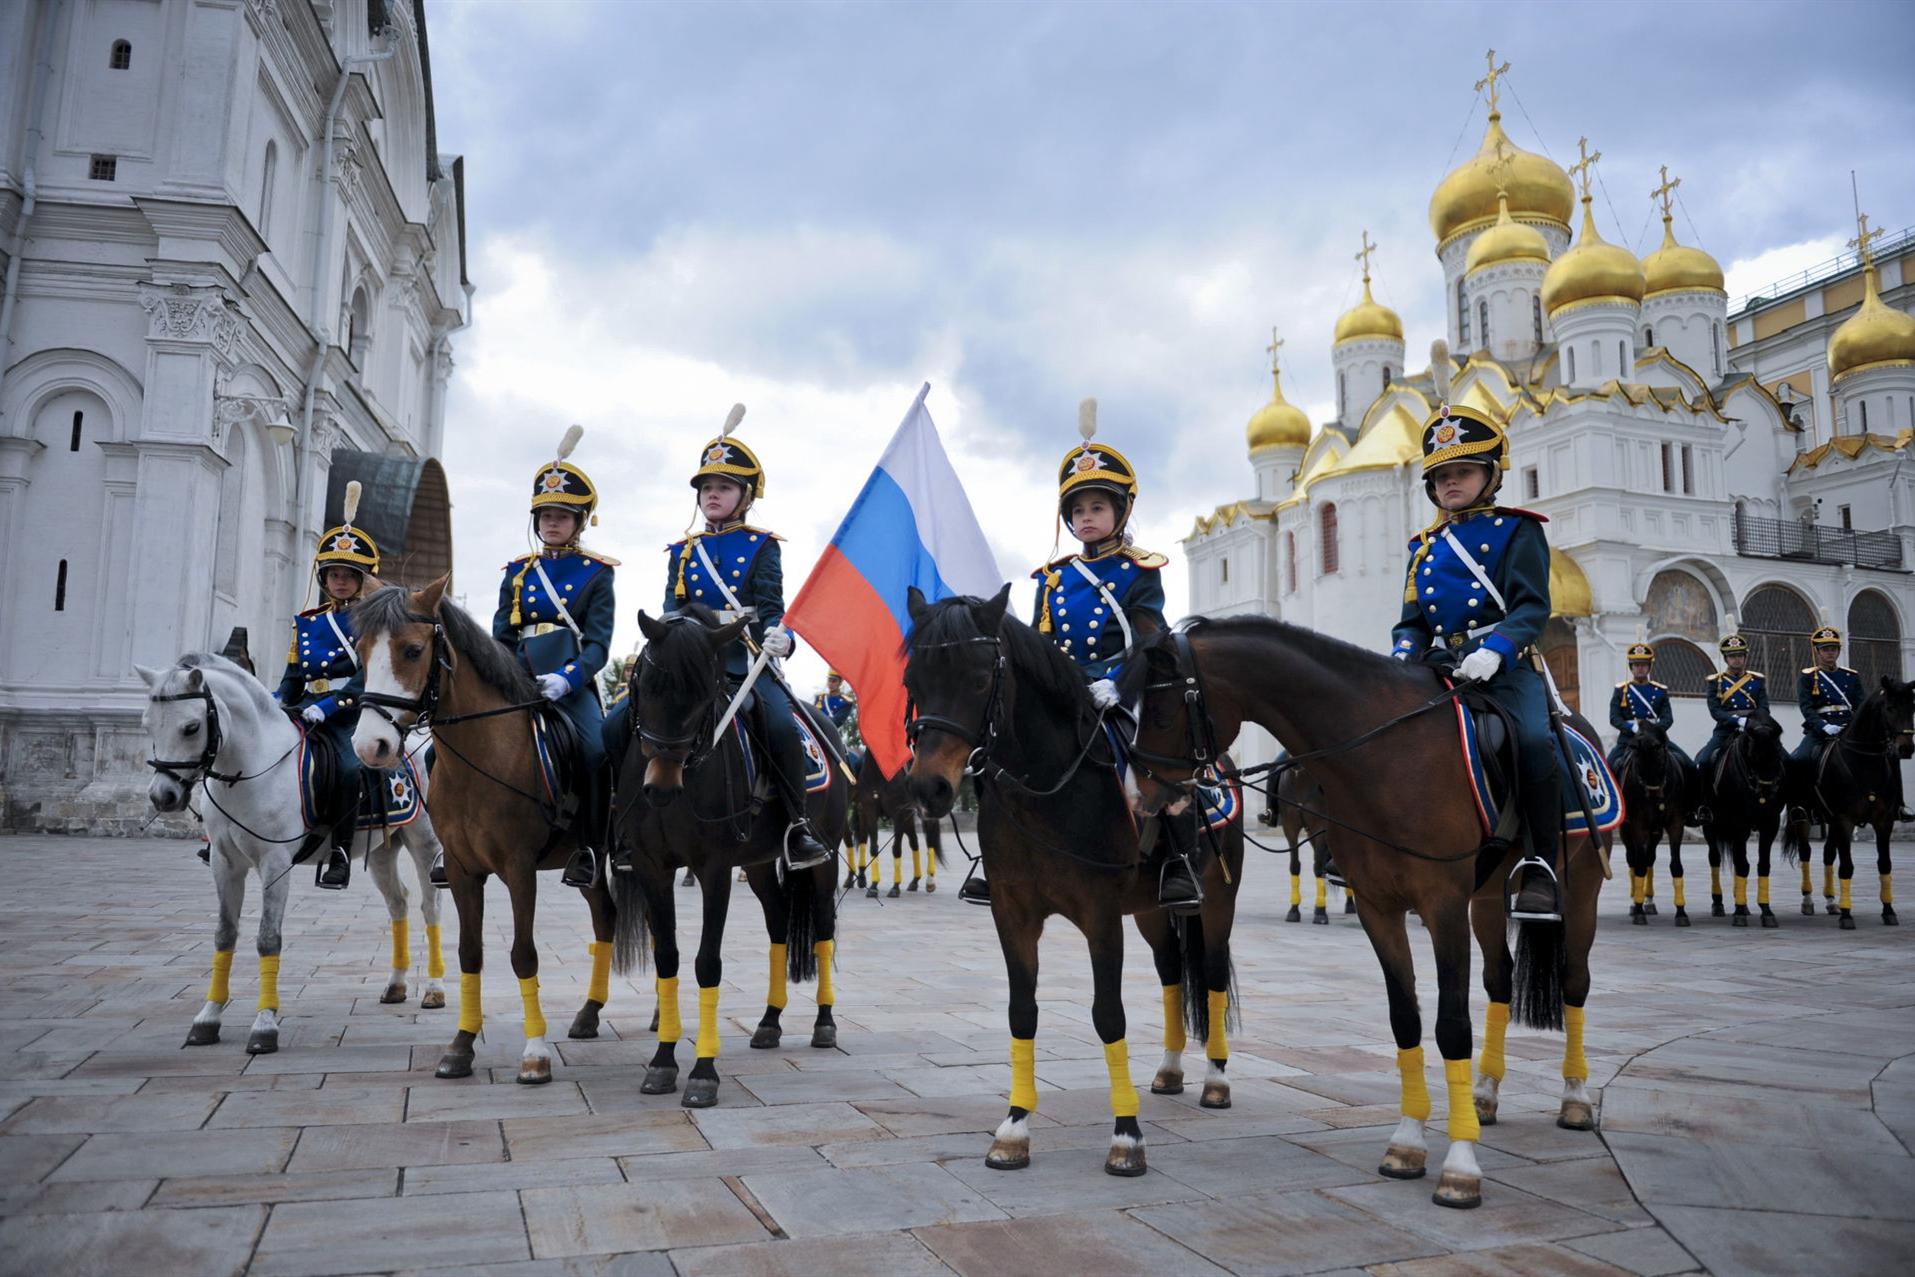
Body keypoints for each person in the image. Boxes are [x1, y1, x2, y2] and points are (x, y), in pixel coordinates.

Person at [960, 399, 1202, 913]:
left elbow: (1151, 640)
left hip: (1121, 688)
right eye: (1077, 510)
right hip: (1064, 690)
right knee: (997, 752)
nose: (1085, 518)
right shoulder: (1052, 578)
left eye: (1096, 507)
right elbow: (1037, 646)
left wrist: (1118, 683)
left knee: (1152, 762)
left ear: (1120, 511)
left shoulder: (1140, 570)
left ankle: (1177, 864)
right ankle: (993, 858)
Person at [1390, 348, 1561, 921]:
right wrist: (1401, 657)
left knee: (1535, 743)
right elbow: (1412, 620)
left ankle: (1541, 864)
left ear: (1490, 474)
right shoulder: (1423, 549)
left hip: (1506, 672)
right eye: (1440, 476)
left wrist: (1497, 649)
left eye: (1461, 472)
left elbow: (1532, 608)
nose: (1449, 484)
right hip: (1438, 668)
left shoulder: (1518, 532)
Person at [654, 404, 831, 871]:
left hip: (746, 661)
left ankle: (796, 828)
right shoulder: (682, 551)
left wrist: (781, 638)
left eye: (724, 487)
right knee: (625, 725)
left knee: (778, 727)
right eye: (707, 487)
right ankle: (625, 829)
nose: (713, 494)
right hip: (693, 666)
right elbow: (672, 613)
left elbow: (773, 608)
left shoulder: (762, 546)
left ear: (745, 495)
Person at [494, 427, 615, 890]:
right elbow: (501, 637)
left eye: (562, 515)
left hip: (569, 684)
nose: (551, 522)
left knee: (595, 751)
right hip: (517, 680)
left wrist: (567, 679)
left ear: (579, 521)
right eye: (544, 514)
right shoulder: (517, 573)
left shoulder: (597, 574)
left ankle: (588, 846)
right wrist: (506, 677)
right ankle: (456, 842)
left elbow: (599, 645)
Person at [274, 492, 376, 889]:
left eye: (349, 575)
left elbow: (366, 677)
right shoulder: (307, 621)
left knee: (349, 769)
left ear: (361, 580)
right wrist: (277, 698)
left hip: (349, 713)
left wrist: (333, 705)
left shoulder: (371, 620)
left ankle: (340, 852)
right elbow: (293, 675)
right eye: (334, 573)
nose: (340, 580)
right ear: (324, 578)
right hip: (304, 706)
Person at [1690, 629, 1767, 824]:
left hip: (1753, 730)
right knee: (1704, 761)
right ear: (1726, 658)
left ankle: (1777, 805)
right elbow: (1715, 711)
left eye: (1740, 656)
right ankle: (1704, 805)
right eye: (1733, 656)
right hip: (1725, 731)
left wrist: (1752, 722)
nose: (1737, 660)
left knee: (1784, 759)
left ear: (1745, 657)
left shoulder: (1756, 681)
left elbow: (1764, 708)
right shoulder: (1716, 682)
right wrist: (1737, 721)